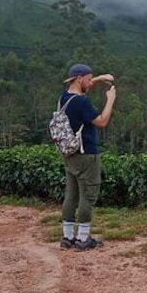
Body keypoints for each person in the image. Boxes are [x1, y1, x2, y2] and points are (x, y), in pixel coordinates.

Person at [58, 63, 117, 251]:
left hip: (69, 153)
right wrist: (110, 99)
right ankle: (83, 238)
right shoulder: (82, 102)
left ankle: (67, 237)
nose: (91, 82)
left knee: (71, 194)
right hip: (86, 154)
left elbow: (84, 89)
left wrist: (99, 79)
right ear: (79, 79)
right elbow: (102, 121)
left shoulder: (65, 98)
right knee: (87, 195)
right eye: (89, 78)